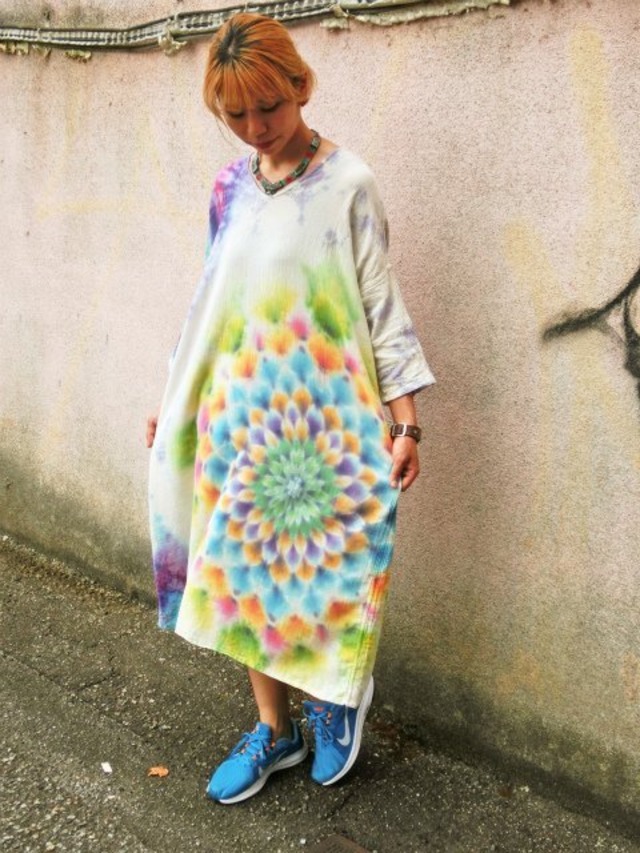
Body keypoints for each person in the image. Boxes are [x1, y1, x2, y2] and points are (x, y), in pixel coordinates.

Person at [146, 12, 435, 805]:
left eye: (267, 106)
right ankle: (275, 729)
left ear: (300, 86)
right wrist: (175, 399)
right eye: (236, 114)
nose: (255, 127)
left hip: (325, 423)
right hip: (241, 414)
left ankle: (336, 694)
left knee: (322, 570)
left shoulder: (349, 185)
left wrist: (407, 420)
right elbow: (212, 303)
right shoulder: (228, 189)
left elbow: (381, 309)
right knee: (245, 577)